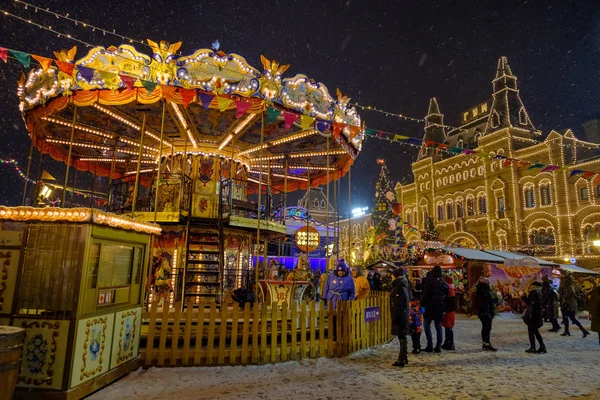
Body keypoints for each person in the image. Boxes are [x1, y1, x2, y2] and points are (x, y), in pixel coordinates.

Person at [421, 265, 449, 353]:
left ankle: (430, 345)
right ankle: (438, 346)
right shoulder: (444, 283)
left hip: (430, 306)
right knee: (438, 326)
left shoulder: (430, 281)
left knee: (426, 325)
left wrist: (423, 305)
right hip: (439, 307)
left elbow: (425, 295)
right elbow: (446, 295)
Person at [390, 268, 411, 367]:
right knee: (402, 336)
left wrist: (395, 316)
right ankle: (404, 357)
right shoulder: (404, 284)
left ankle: (401, 359)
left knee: (401, 336)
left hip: (400, 313)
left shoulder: (399, 285)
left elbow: (398, 302)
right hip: (404, 312)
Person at [472, 276, 498, 351]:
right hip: (486, 312)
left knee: (486, 327)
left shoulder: (480, 290)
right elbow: (488, 301)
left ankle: (485, 343)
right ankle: (486, 343)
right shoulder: (484, 291)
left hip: (483, 312)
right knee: (487, 327)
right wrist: (494, 300)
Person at [522, 281, 546, 353]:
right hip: (537, 314)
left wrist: (523, 297)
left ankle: (535, 347)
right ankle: (541, 347)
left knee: (532, 331)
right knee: (535, 331)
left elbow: (530, 303)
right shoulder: (539, 293)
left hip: (533, 315)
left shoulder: (533, 293)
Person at [442, 275, 457, 351]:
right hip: (450, 311)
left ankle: (449, 343)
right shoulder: (451, 289)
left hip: (448, 311)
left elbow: (448, 301)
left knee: (448, 327)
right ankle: (448, 342)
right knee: (448, 327)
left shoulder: (448, 290)